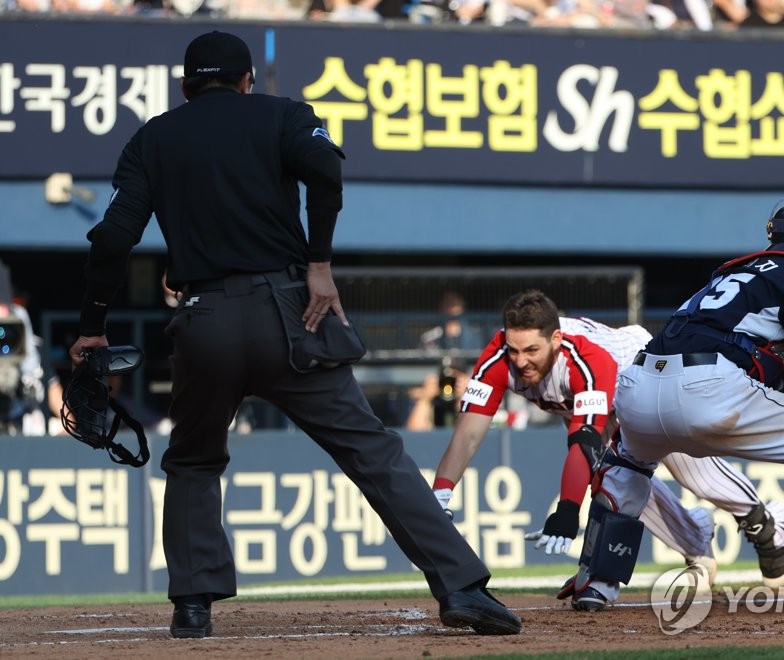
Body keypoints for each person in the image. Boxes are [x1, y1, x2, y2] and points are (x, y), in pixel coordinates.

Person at [68, 30, 520, 639]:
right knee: (371, 450)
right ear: (248, 79)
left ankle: (193, 606)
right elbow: (325, 170)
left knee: (194, 461)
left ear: (185, 87)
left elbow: (113, 239)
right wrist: (319, 261)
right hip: (291, 315)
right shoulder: (284, 114)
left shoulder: (153, 136)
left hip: (205, 321)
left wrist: (93, 327)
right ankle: (462, 588)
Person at [559, 195, 784, 614]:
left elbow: (758, 376)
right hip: (709, 387)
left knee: (624, 461)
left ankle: (594, 582)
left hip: (639, 385)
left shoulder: (734, 272)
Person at [431, 290, 784, 593]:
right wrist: (441, 493)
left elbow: (585, 443)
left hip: (644, 375)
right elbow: (469, 431)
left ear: (556, 339)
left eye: (531, 351)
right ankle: (696, 540)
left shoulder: (586, 358)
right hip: (591, 406)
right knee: (615, 478)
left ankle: (763, 520)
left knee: (689, 471)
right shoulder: (499, 357)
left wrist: (568, 511)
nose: (521, 361)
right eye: (514, 350)